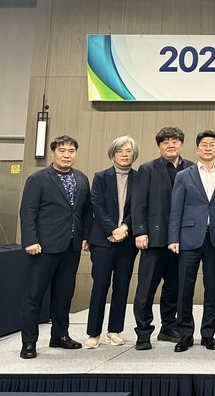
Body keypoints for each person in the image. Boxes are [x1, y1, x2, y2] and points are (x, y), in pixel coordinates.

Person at [19, 135, 92, 359]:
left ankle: (59, 336)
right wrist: (30, 240)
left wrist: (86, 236)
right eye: (62, 151)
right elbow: (28, 211)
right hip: (43, 247)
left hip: (71, 247)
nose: (66, 155)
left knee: (64, 295)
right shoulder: (38, 179)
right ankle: (29, 342)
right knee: (34, 296)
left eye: (71, 151)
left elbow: (85, 211)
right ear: (53, 153)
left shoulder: (81, 178)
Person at [168, 130, 215, 352]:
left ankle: (208, 334)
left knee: (212, 288)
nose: (208, 148)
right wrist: (173, 237)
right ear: (197, 149)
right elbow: (176, 208)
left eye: (212, 144)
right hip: (188, 238)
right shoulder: (183, 175)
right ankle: (185, 334)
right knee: (185, 288)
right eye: (204, 144)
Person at [132, 127, 194, 350]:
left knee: (174, 288)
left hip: (181, 240)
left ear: (182, 145)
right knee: (146, 288)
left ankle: (168, 327)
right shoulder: (147, 169)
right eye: (165, 141)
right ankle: (143, 332)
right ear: (159, 147)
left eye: (175, 141)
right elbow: (138, 203)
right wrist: (140, 231)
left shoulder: (192, 169)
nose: (170, 144)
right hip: (154, 239)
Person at [85, 135, 139, 349]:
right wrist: (113, 229)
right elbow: (96, 206)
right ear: (113, 154)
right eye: (120, 151)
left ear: (134, 155)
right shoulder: (100, 177)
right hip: (103, 241)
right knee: (100, 285)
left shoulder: (140, 177)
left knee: (122, 286)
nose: (124, 155)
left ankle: (114, 330)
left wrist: (124, 227)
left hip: (127, 241)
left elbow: (140, 207)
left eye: (128, 151)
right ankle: (93, 333)